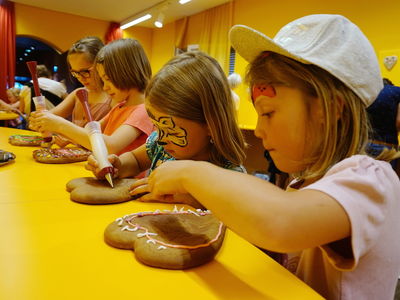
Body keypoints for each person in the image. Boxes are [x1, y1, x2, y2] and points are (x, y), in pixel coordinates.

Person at [137, 15, 400, 299]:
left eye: (268, 113)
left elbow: (281, 223)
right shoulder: (303, 185)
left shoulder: (372, 182)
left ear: (330, 108)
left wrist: (189, 173)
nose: (259, 130)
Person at [85, 51, 246, 205]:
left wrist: (194, 199)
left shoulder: (230, 173)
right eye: (156, 126)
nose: (161, 139)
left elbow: (240, 209)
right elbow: (135, 160)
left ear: (211, 125)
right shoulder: (160, 145)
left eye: (171, 131)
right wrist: (116, 165)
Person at [29, 38, 154, 155]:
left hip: (127, 178)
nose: (105, 87)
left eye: (108, 79)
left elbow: (112, 145)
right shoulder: (120, 107)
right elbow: (92, 132)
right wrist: (69, 136)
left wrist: (60, 125)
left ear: (128, 73)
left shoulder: (143, 111)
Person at [31, 37, 112, 147]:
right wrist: (39, 120)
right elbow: (51, 116)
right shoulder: (78, 94)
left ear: (102, 65)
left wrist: (71, 137)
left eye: (85, 71)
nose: (80, 78)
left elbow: (108, 139)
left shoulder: (113, 97)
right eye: (75, 72)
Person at [366, 78, 400, 172]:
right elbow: (399, 122)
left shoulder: (365, 92)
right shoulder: (397, 92)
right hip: (387, 148)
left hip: (362, 145)